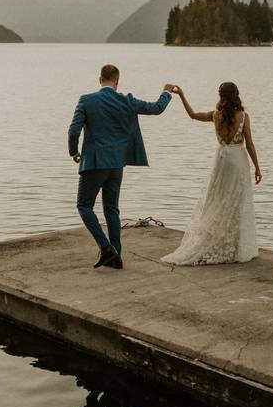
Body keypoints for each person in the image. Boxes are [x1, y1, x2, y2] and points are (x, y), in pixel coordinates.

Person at [67, 64, 173, 269]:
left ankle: (106, 249)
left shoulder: (86, 100)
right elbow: (156, 108)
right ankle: (116, 256)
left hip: (95, 162)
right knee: (111, 208)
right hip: (116, 163)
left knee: (84, 205)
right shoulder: (127, 101)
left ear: (100, 79)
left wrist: (73, 151)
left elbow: (73, 130)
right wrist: (166, 92)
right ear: (117, 81)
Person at [161, 82, 261, 266]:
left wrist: (182, 95)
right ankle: (235, 246)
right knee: (237, 202)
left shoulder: (216, 116)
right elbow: (250, 144)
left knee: (217, 199)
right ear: (236, 94)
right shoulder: (243, 116)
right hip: (238, 161)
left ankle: (217, 240)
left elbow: (192, 115)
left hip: (222, 161)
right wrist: (257, 168)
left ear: (221, 96)